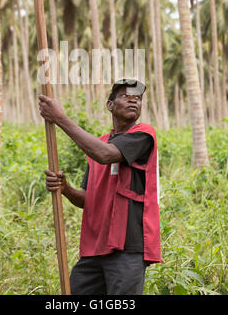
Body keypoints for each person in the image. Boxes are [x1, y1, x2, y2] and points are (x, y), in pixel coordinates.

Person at [38, 78, 161, 295]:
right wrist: (66, 189)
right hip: (94, 250)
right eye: (126, 95)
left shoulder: (143, 135)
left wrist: (60, 118)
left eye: (138, 97)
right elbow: (87, 199)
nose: (134, 100)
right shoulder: (98, 144)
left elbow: (105, 155)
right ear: (110, 105)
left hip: (127, 248)